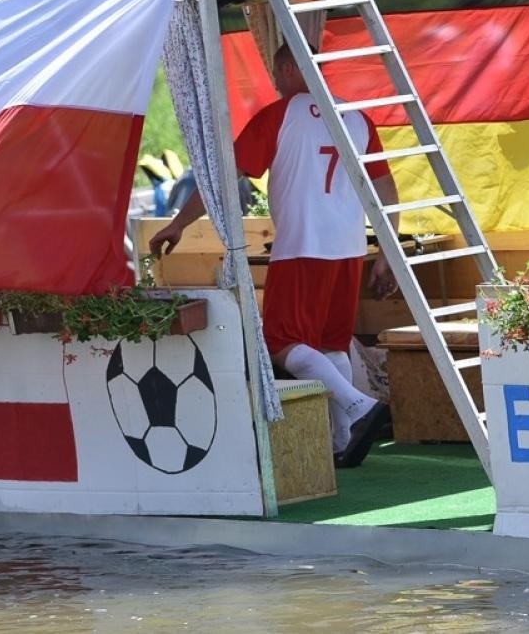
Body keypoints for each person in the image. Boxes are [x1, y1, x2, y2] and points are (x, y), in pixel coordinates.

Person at [148, 45, 398, 468]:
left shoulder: (279, 115)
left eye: (276, 72)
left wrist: (179, 222)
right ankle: (342, 438)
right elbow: (386, 188)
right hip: (350, 248)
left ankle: (358, 405)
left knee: (282, 342)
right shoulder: (357, 117)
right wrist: (386, 250)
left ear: (287, 67)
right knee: (330, 342)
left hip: (301, 245)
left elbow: (225, 177)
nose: (275, 81)